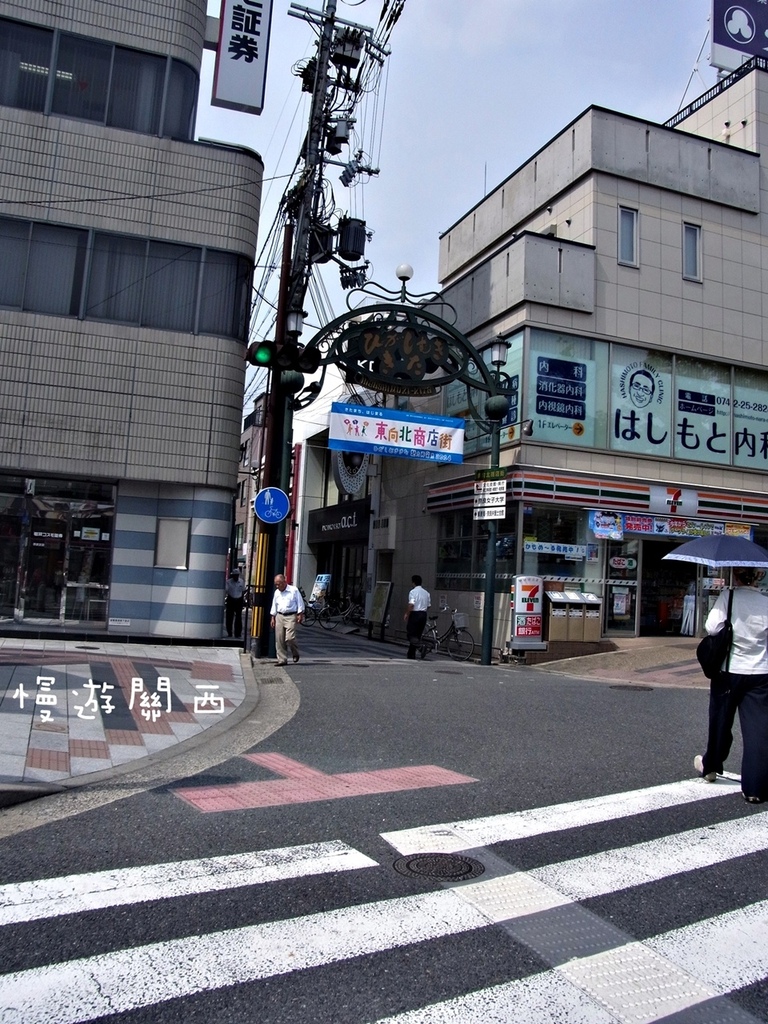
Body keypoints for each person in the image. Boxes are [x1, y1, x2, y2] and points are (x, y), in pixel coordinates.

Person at [694, 567, 768, 804]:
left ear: (736, 575)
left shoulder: (729, 596)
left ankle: (711, 767)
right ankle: (754, 787)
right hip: (761, 672)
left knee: (720, 721)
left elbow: (712, 628)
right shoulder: (766, 600)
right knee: (758, 730)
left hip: (729, 671)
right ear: (759, 577)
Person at [270, 574, 305, 666]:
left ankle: (295, 652)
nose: (277, 586)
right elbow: (274, 605)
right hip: (279, 616)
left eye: (279, 584)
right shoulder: (277, 592)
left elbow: (300, 602)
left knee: (290, 638)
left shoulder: (293, 590)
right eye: (276, 584)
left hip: (291, 615)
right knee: (279, 638)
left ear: (284, 582)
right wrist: (273, 617)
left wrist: (300, 614)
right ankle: (282, 659)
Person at [404, 574, 431, 659]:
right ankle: (411, 654)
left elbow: (411, 605)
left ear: (413, 583)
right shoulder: (426, 593)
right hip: (423, 614)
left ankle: (421, 646)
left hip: (415, 614)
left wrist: (407, 614)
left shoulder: (413, 592)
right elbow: (429, 605)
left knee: (410, 634)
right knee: (417, 635)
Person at [224, 569, 245, 638]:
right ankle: (229, 632)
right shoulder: (228, 582)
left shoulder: (241, 582)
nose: (235, 577)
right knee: (229, 617)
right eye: (234, 575)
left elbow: (243, 590)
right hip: (231, 599)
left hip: (239, 600)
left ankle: (238, 633)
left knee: (238, 617)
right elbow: (226, 591)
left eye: (237, 575)